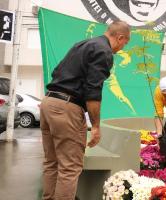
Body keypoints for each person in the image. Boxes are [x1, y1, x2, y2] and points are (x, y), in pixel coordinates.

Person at [40, 21, 131, 200]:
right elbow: (93, 91)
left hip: (48, 102)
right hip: (67, 108)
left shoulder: (82, 44)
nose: (122, 48)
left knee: (52, 163)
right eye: (125, 43)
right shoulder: (104, 52)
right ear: (120, 37)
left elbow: (57, 72)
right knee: (70, 167)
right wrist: (96, 126)